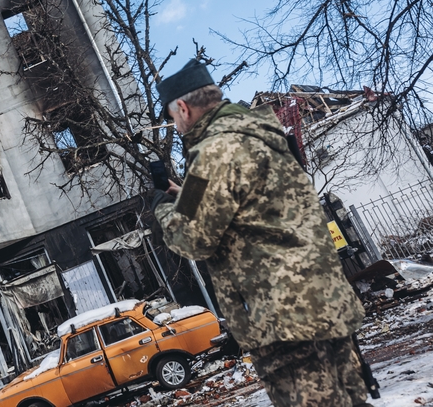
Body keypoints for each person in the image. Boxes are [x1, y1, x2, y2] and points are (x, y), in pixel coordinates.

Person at [151, 59, 371, 407]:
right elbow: (252, 207)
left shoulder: (212, 152)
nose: (175, 126)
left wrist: (163, 209)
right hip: (326, 302)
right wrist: (185, 195)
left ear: (183, 107)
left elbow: (193, 239)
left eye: (173, 117)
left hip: (283, 320)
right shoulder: (263, 134)